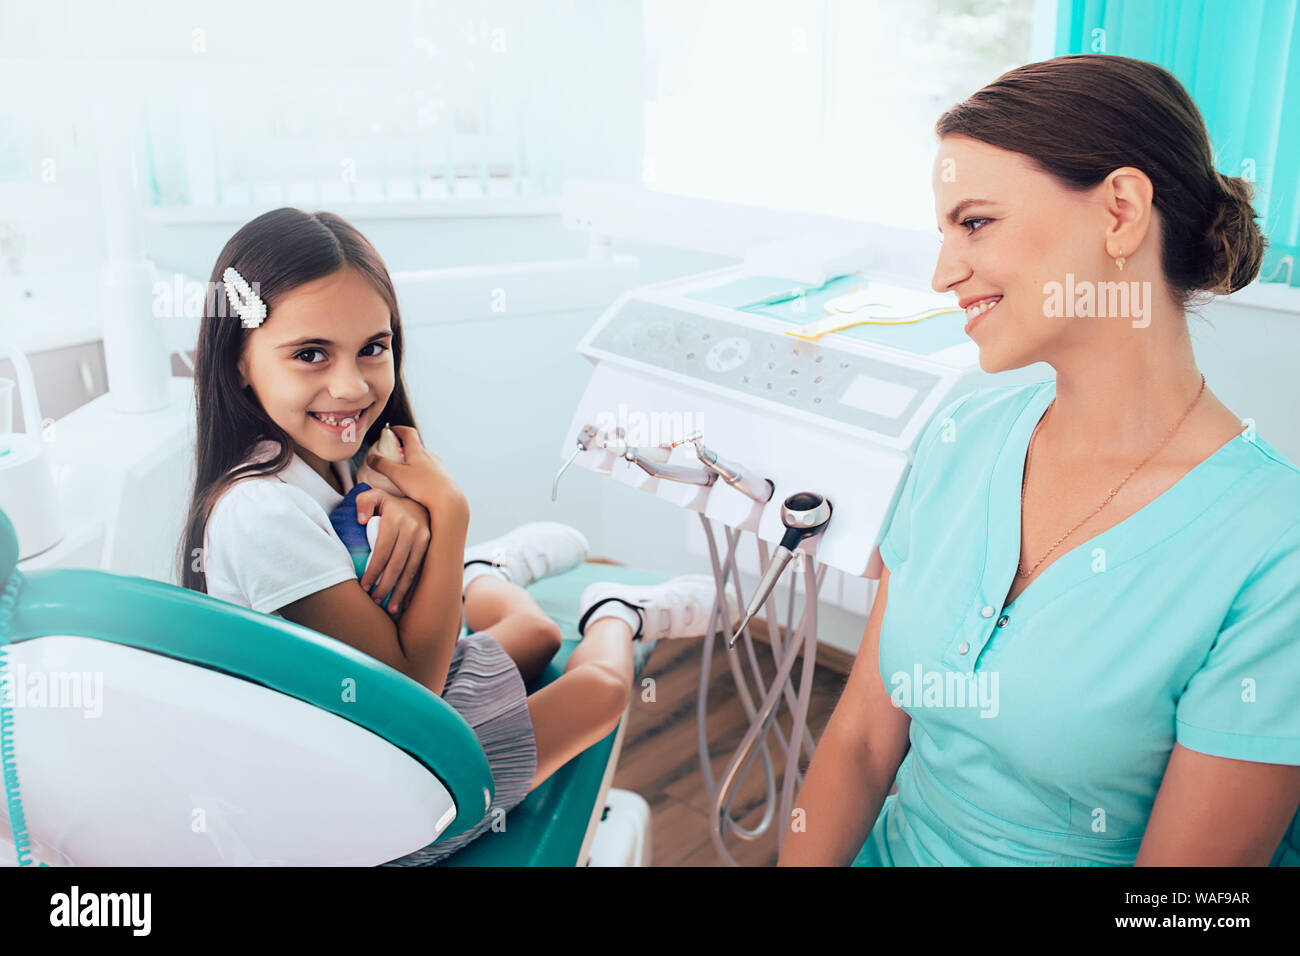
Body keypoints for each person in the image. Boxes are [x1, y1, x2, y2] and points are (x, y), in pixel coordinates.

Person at [781, 54, 1300, 866]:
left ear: (1120, 212)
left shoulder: (1274, 547)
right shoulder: (963, 436)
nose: (943, 273)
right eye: (943, 233)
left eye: (975, 223)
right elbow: (862, 744)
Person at [178, 207, 738, 864]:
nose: (351, 386)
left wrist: (417, 518)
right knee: (604, 692)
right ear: (239, 364)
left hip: (376, 728)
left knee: (538, 635)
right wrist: (448, 513)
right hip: (374, 789)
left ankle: (482, 573)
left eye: (373, 348)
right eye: (310, 354)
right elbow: (413, 698)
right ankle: (618, 611)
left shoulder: (330, 457)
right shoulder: (260, 513)